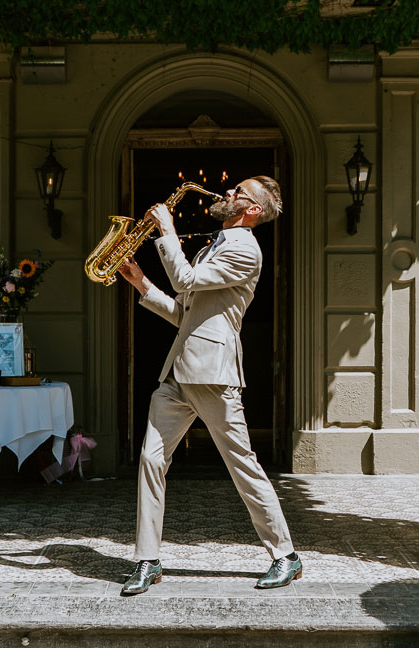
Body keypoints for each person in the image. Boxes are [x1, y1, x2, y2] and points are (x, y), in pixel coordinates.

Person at [116, 175, 301, 596]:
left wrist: (166, 231)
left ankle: (286, 556)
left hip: (215, 373)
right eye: (233, 188)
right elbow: (184, 312)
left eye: (239, 192)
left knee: (242, 464)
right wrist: (142, 283)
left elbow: (183, 280)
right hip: (179, 371)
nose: (229, 193)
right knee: (150, 461)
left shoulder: (245, 249)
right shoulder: (213, 246)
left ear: (252, 209)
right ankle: (148, 560)